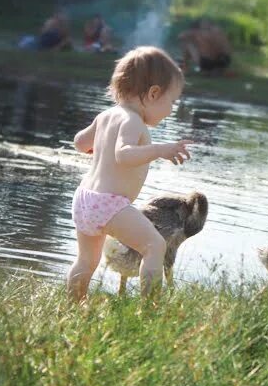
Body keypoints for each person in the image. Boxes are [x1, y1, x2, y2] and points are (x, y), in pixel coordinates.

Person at [67, 46, 192, 302]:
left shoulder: (106, 115)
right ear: (153, 93)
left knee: (86, 261)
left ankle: (72, 306)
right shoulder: (132, 121)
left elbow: (80, 142)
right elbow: (123, 154)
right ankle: (149, 310)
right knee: (155, 246)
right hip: (109, 204)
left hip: (84, 199)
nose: (171, 109)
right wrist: (158, 149)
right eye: (171, 101)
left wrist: (97, 146)